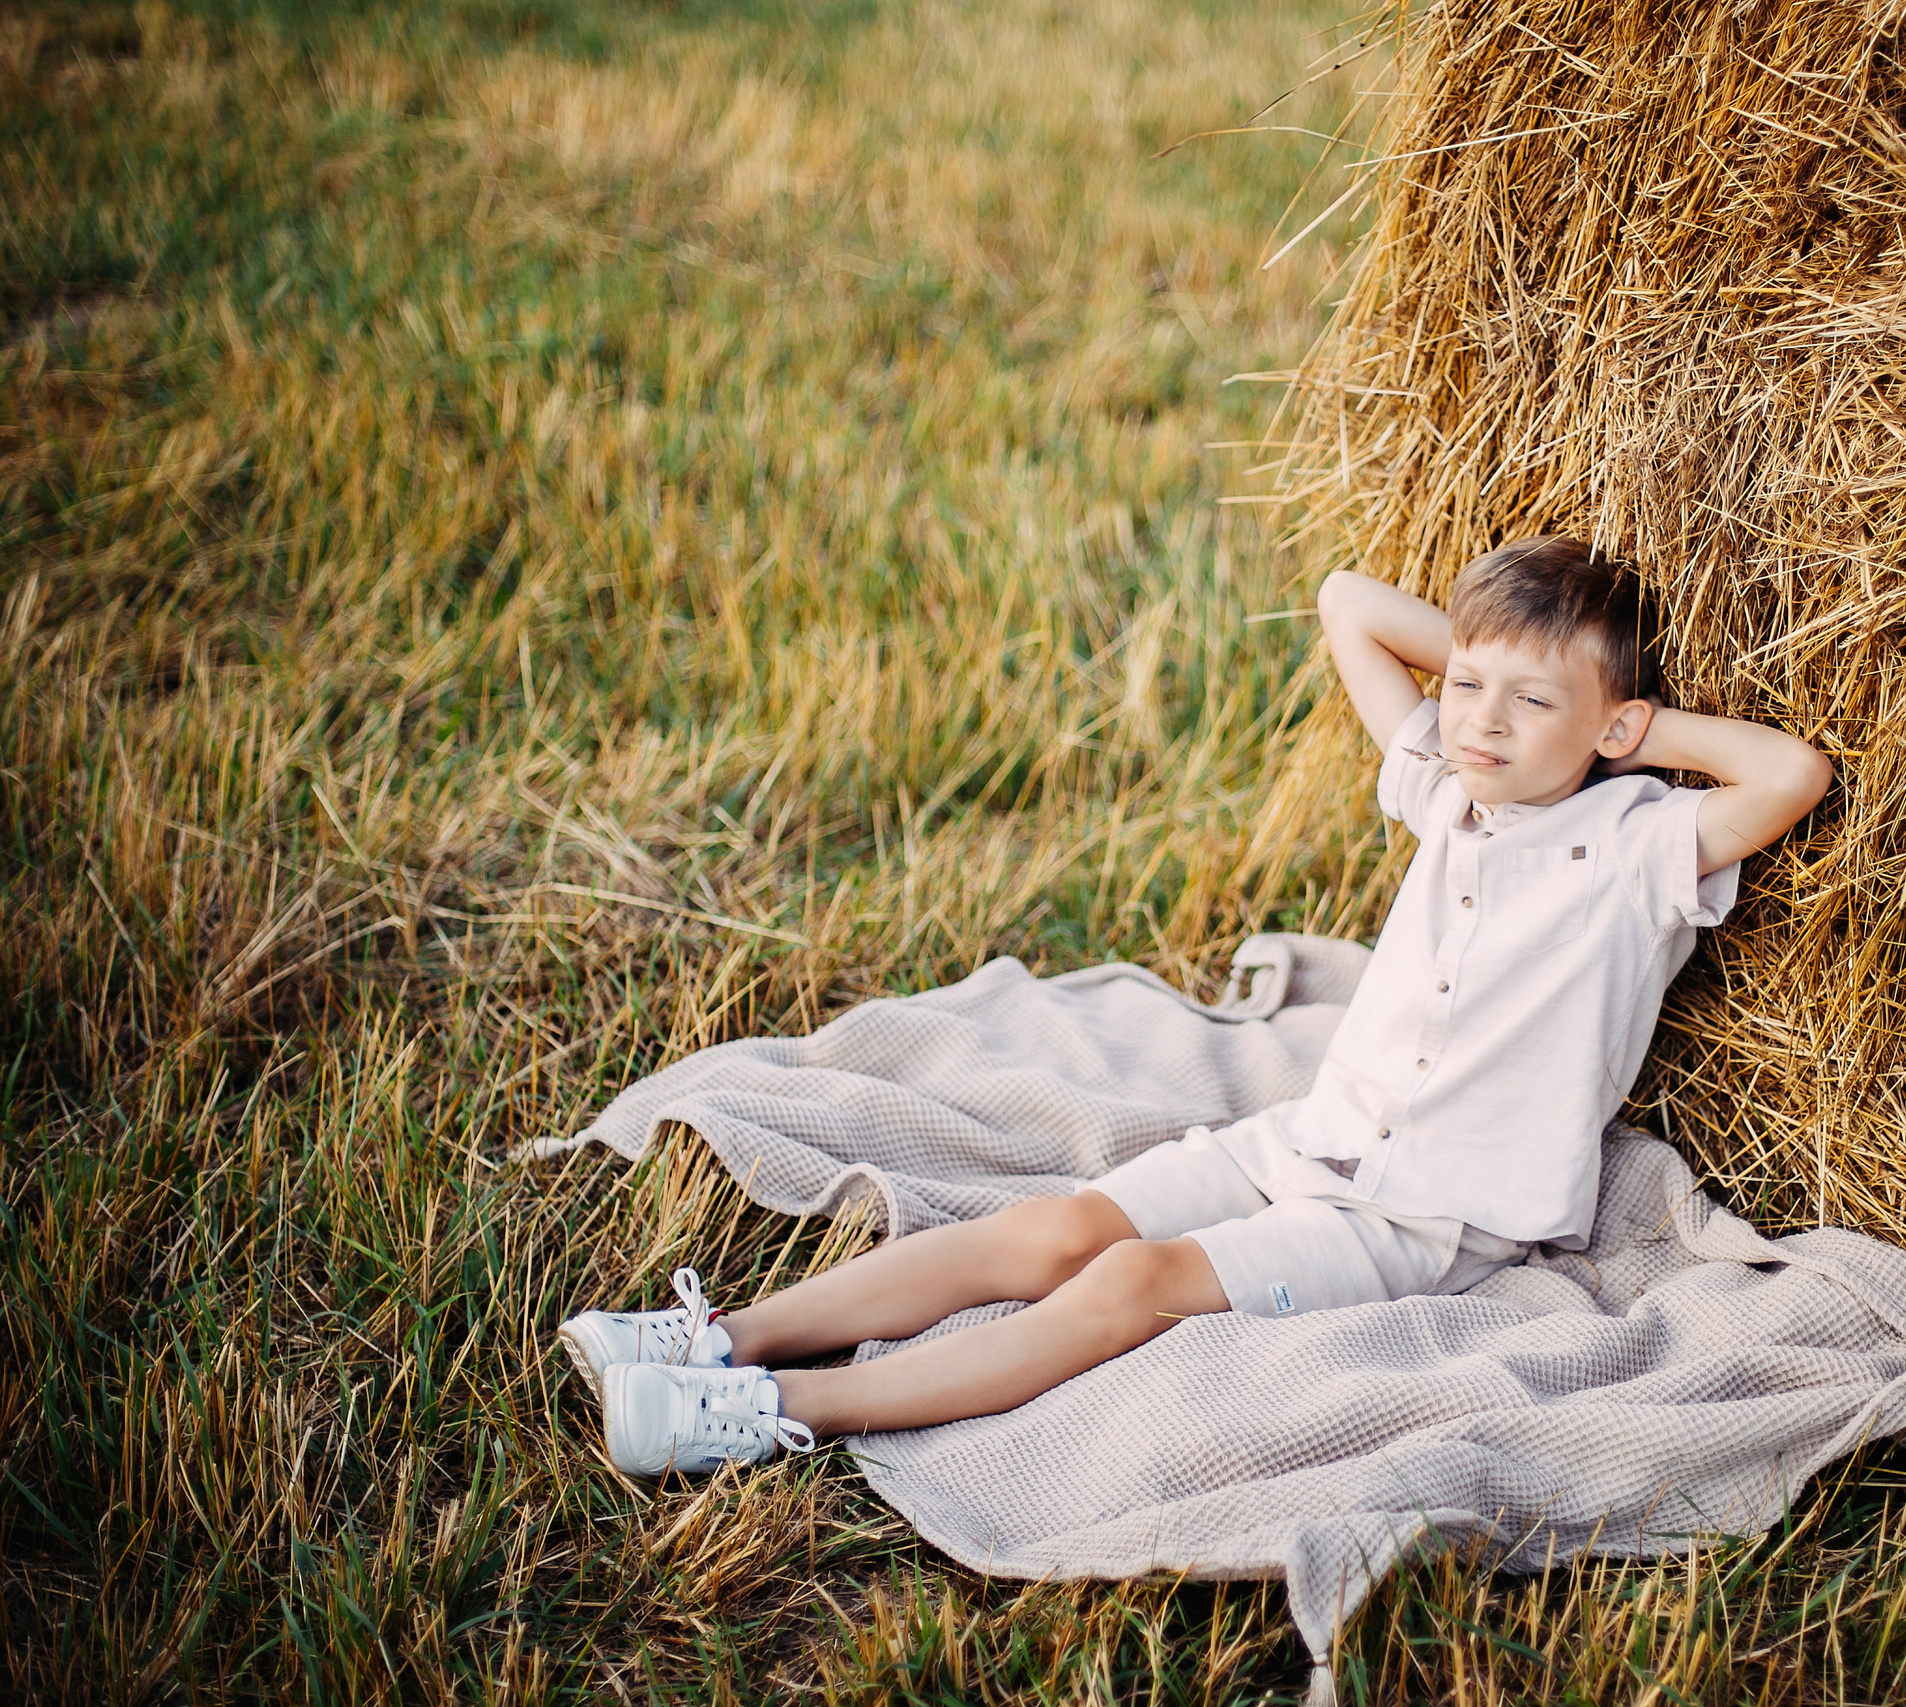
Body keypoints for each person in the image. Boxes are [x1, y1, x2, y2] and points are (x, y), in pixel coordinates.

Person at [556, 535, 1833, 1475]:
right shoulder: (1448, 785)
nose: (1481, 720)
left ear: (1615, 731)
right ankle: (725, 1339)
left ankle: (787, 1414)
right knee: (1056, 1231)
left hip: (1428, 1211)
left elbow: (1791, 769)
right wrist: (1508, 674)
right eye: (1466, 689)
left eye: (1528, 704)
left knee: (1132, 1281)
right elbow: (1347, 604)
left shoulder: (1640, 850)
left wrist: (1621, 726)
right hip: (1310, 1139)